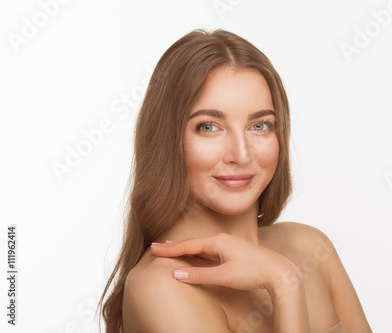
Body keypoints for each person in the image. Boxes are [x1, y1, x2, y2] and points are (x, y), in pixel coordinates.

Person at [99, 29, 372, 333]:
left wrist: (284, 276)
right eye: (208, 127)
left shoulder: (310, 246)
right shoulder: (162, 286)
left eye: (259, 125)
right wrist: (284, 284)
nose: (241, 154)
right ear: (168, 140)